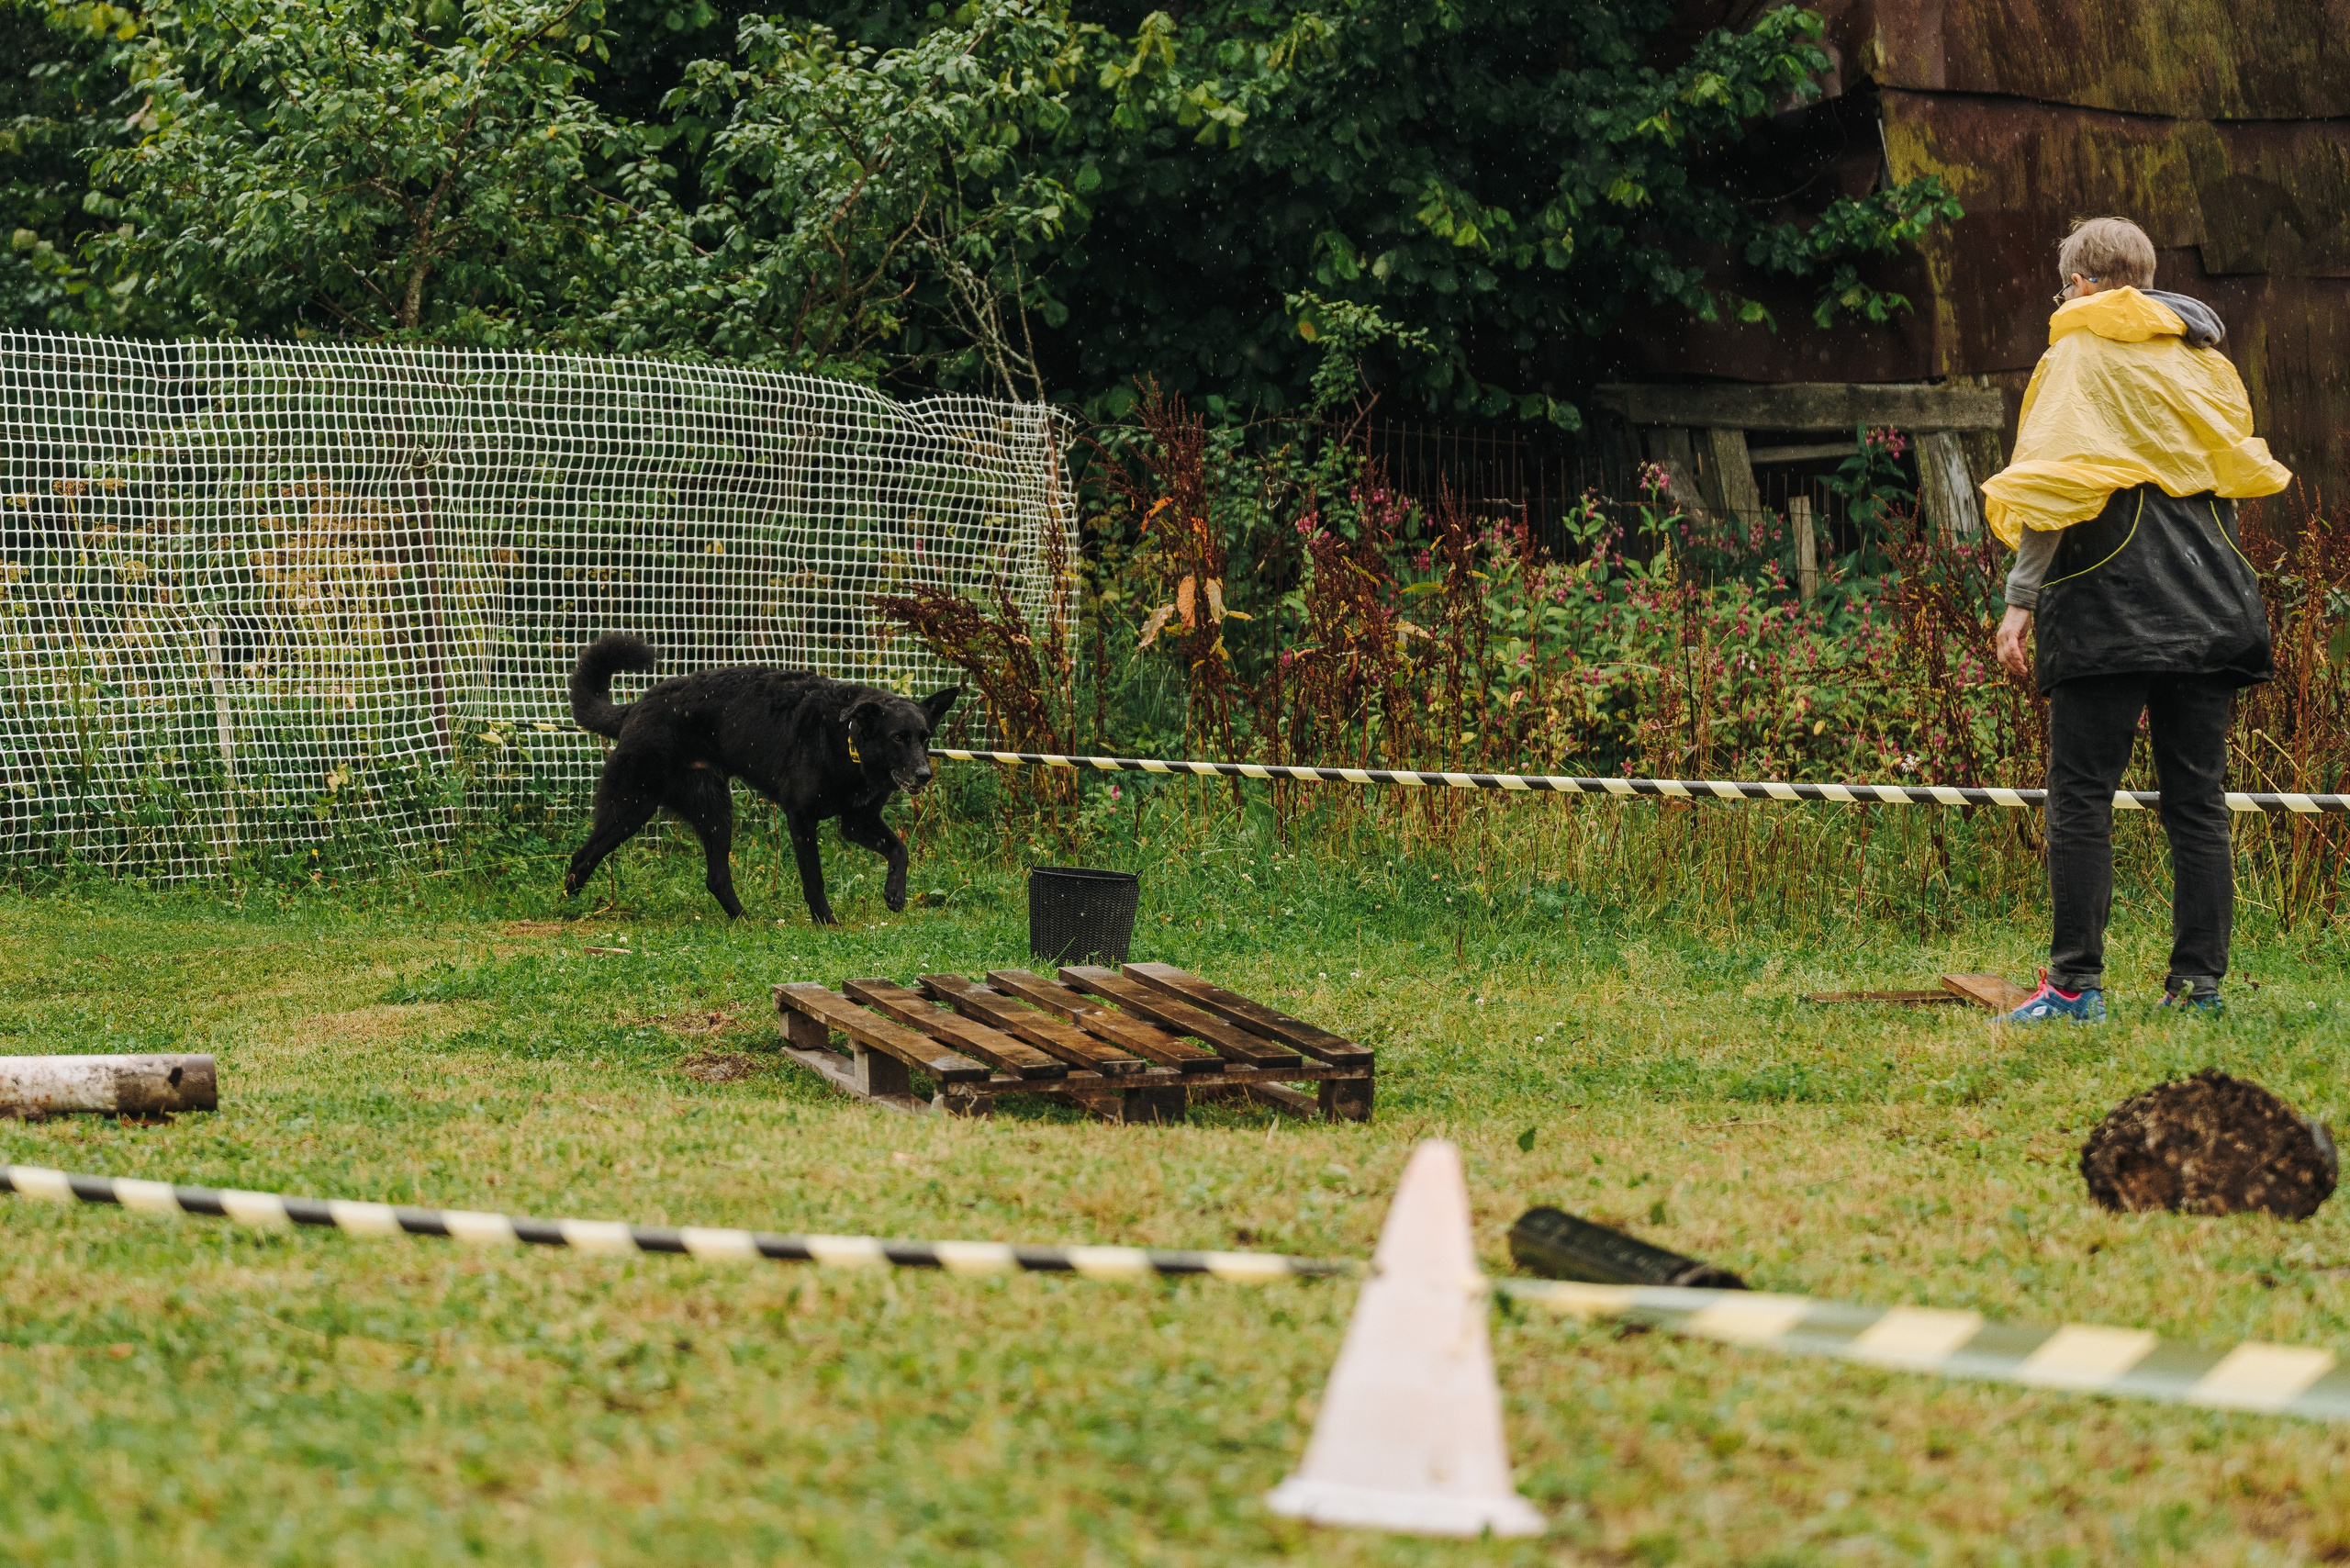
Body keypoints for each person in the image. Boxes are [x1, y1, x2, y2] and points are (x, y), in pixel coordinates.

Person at [1981, 216, 2290, 1024]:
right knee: (2199, 801)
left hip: (2107, 599)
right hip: (2211, 599)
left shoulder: (2077, 354)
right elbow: (2221, 479)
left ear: (2083, 284)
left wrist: (2020, 600)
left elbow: (2054, 486)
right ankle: (2200, 988)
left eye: (2064, 285)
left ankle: (2076, 987)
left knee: (2081, 794)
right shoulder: (2205, 359)